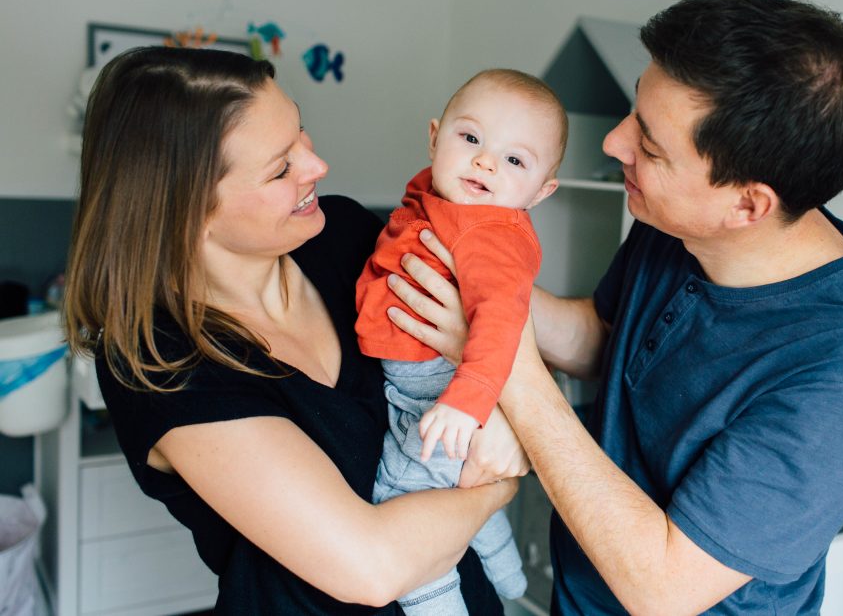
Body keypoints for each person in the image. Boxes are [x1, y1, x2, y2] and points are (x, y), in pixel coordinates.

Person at [389, 0, 843, 615]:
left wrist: (506, 368)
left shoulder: (842, 377)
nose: (614, 143)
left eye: (651, 147)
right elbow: (607, 340)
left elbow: (665, 589)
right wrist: (487, 294)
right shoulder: (678, 222)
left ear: (746, 206)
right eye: (635, 111)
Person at [63, 45, 529, 615]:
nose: (316, 166)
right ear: (184, 208)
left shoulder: (351, 238)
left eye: (301, 134)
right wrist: (499, 480)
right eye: (281, 167)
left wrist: (506, 408)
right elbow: (372, 566)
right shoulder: (160, 363)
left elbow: (502, 317)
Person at [355, 69, 565, 614]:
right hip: (423, 385)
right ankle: (509, 578)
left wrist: (466, 403)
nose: (485, 162)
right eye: (470, 138)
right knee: (461, 490)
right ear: (435, 136)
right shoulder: (441, 197)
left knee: (404, 505)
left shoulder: (489, 229)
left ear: (541, 192)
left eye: (515, 161)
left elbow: (501, 320)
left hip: (443, 392)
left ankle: (440, 599)